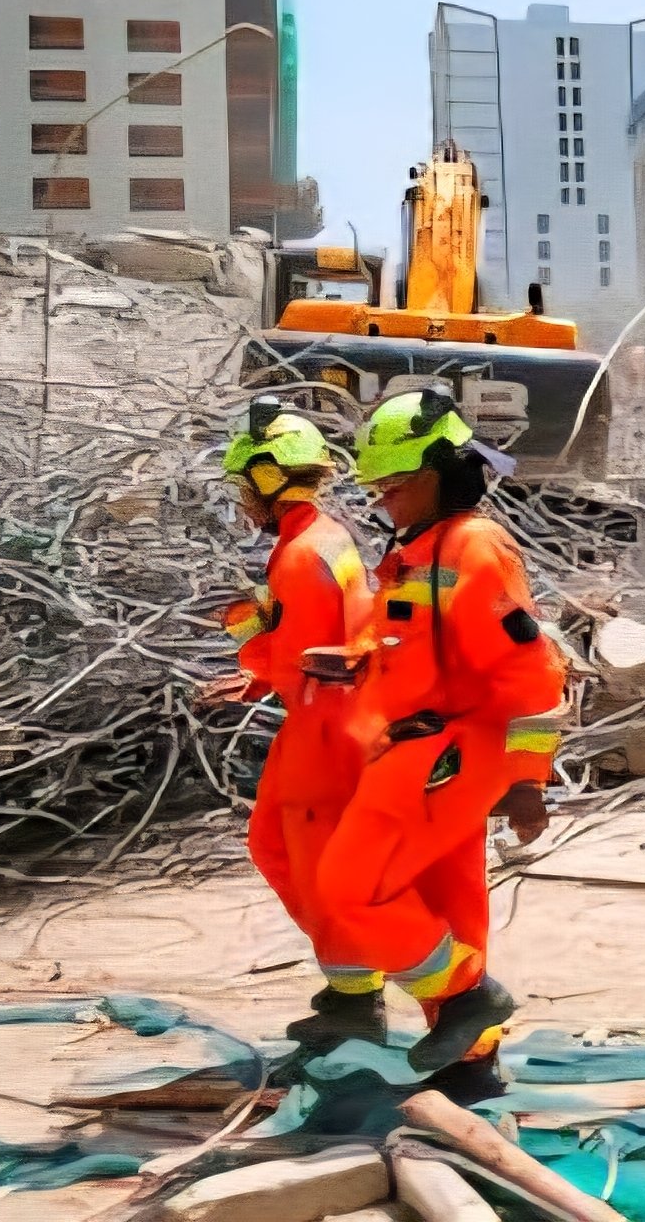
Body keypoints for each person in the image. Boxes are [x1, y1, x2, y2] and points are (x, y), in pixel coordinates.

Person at [312, 388, 564, 1087]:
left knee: (349, 890)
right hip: (419, 748)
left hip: (451, 753)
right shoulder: (415, 552)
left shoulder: (473, 548)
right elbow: (401, 633)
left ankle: (467, 998)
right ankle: (470, 1062)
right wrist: (357, 658)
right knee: (449, 903)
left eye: (392, 485)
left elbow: (534, 671)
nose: (381, 501)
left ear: (434, 474)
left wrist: (527, 781)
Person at [210, 396, 382, 1051]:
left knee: (307, 861)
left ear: (270, 478)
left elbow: (304, 659)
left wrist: (249, 643)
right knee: (277, 846)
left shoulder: (298, 555)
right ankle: (351, 986)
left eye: (244, 485)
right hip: (330, 721)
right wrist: (257, 669)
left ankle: (355, 998)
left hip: (323, 729)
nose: (241, 500)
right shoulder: (323, 537)